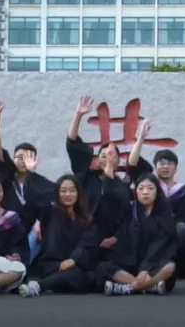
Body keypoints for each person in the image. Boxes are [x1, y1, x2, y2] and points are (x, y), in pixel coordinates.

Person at [126, 120, 185, 281]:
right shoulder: (150, 186)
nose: (166, 167)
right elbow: (132, 164)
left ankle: (182, 268)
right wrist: (140, 139)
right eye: (161, 163)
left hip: (174, 233)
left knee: (181, 229)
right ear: (155, 167)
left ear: (176, 168)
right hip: (151, 232)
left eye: (170, 164)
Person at [0, 102, 56, 265]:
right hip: (6, 231)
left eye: (29, 157)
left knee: (40, 231)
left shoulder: (42, 183)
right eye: (20, 157)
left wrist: (40, 221)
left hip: (30, 233)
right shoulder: (5, 178)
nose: (24, 161)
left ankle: (19, 268)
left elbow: (49, 205)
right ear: (12, 160)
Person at [98, 170, 179, 296]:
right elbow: (123, 232)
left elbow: (160, 245)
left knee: (169, 267)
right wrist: (115, 238)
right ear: (136, 191)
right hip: (132, 262)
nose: (145, 192)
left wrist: (145, 268)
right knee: (103, 267)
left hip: (154, 263)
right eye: (141, 188)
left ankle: (128, 287)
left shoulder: (165, 214)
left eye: (150, 188)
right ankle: (149, 287)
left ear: (157, 191)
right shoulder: (130, 210)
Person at [19, 175, 100, 297]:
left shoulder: (86, 219)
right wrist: (36, 222)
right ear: (57, 193)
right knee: (73, 275)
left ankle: (41, 285)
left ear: (78, 193)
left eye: (72, 190)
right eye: (63, 191)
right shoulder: (49, 211)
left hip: (73, 265)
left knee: (84, 275)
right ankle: (41, 286)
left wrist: (73, 259)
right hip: (51, 264)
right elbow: (34, 203)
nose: (68, 194)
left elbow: (87, 243)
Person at [65, 95, 126, 252]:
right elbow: (73, 143)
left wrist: (116, 237)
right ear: (97, 160)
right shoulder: (87, 177)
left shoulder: (122, 186)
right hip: (83, 237)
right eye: (103, 156)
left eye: (111, 156)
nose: (107, 159)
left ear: (119, 160)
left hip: (113, 241)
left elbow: (126, 218)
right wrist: (78, 115)